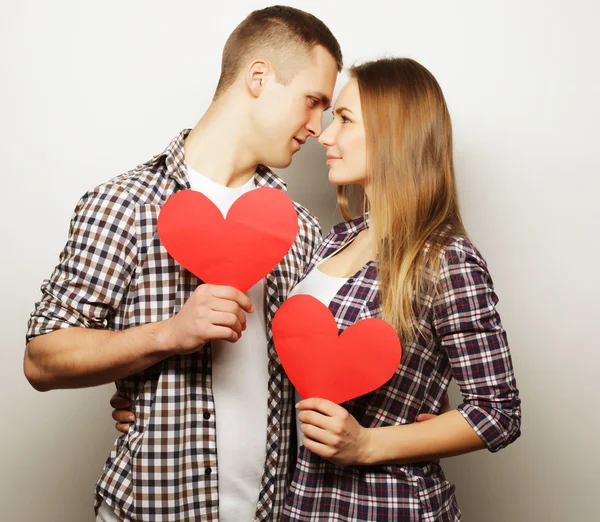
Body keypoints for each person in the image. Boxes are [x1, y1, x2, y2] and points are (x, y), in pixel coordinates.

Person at [113, 57, 521, 521]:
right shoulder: (330, 241)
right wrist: (151, 403)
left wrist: (368, 444)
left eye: (345, 120)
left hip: (387, 508)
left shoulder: (445, 260)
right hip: (302, 504)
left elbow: (499, 412)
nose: (325, 136)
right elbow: (282, 369)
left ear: (396, 134)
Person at [23, 6, 343, 522]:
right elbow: (40, 359)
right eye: (312, 102)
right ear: (258, 77)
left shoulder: (300, 228)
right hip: (152, 511)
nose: (316, 127)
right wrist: (168, 334)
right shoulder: (126, 204)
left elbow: (322, 365)